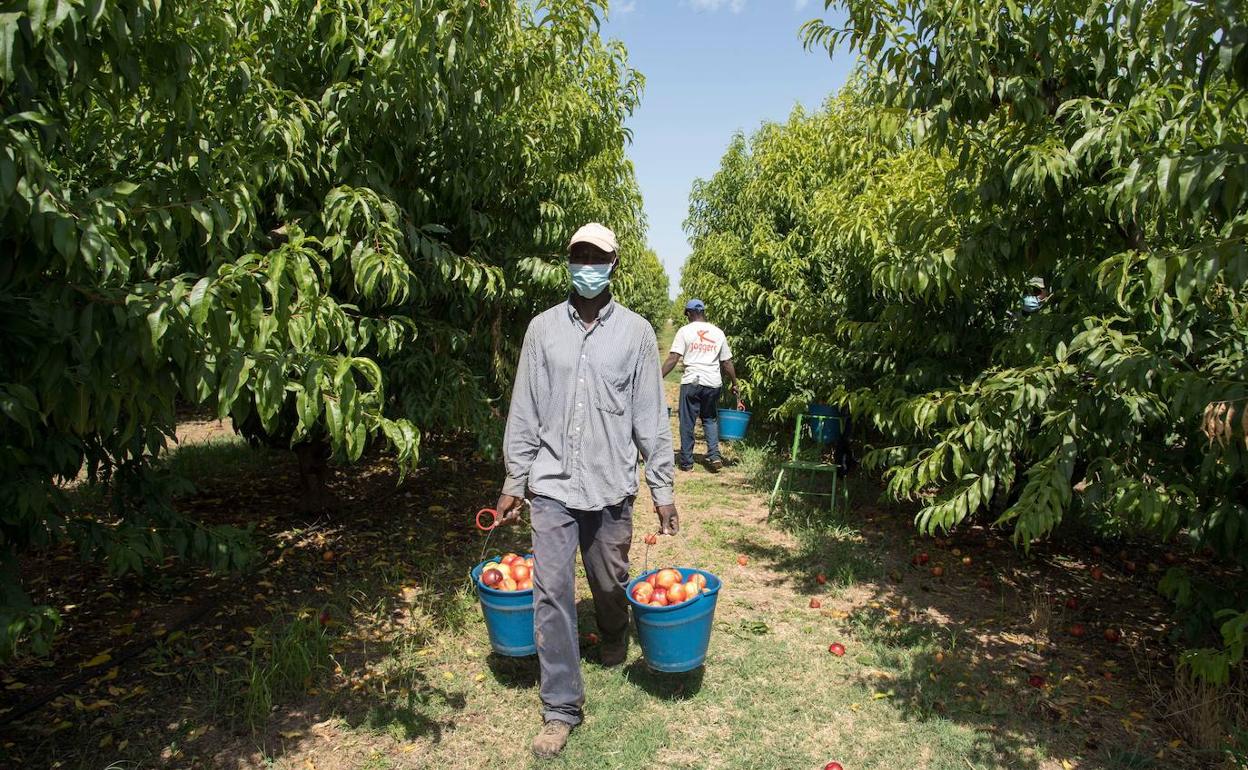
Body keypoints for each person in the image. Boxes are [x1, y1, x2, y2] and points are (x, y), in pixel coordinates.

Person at [494, 222, 678, 759]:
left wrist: (661, 490)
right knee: (550, 592)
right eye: (579, 255)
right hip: (551, 485)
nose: (588, 265)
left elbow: (650, 418)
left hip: (610, 485)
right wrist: (514, 480)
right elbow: (524, 410)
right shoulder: (542, 330)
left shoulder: (638, 334)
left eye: (597, 257)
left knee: (608, 579)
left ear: (613, 265)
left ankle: (615, 632)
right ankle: (561, 709)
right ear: (568, 261)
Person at [661, 299, 739, 472]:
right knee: (710, 419)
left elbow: (674, 358)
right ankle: (714, 455)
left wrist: (657, 378)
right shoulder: (718, 333)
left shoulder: (685, 331)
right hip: (713, 383)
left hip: (692, 382)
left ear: (689, 313)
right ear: (703, 312)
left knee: (687, 421)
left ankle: (687, 462)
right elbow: (726, 362)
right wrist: (735, 383)